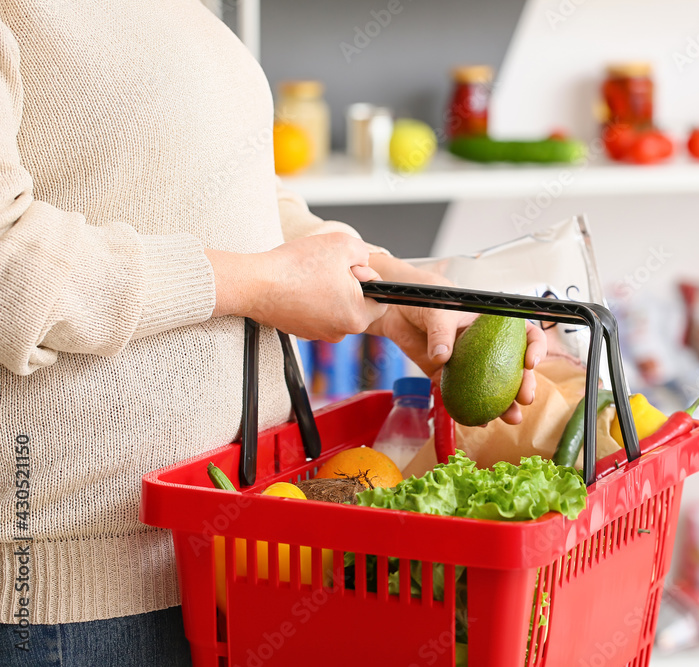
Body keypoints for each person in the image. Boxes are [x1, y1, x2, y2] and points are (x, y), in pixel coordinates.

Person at [0, 2, 544, 665]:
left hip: (241, 550)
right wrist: (259, 285)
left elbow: (237, 202)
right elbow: (9, 261)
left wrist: (397, 297)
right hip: (76, 590)